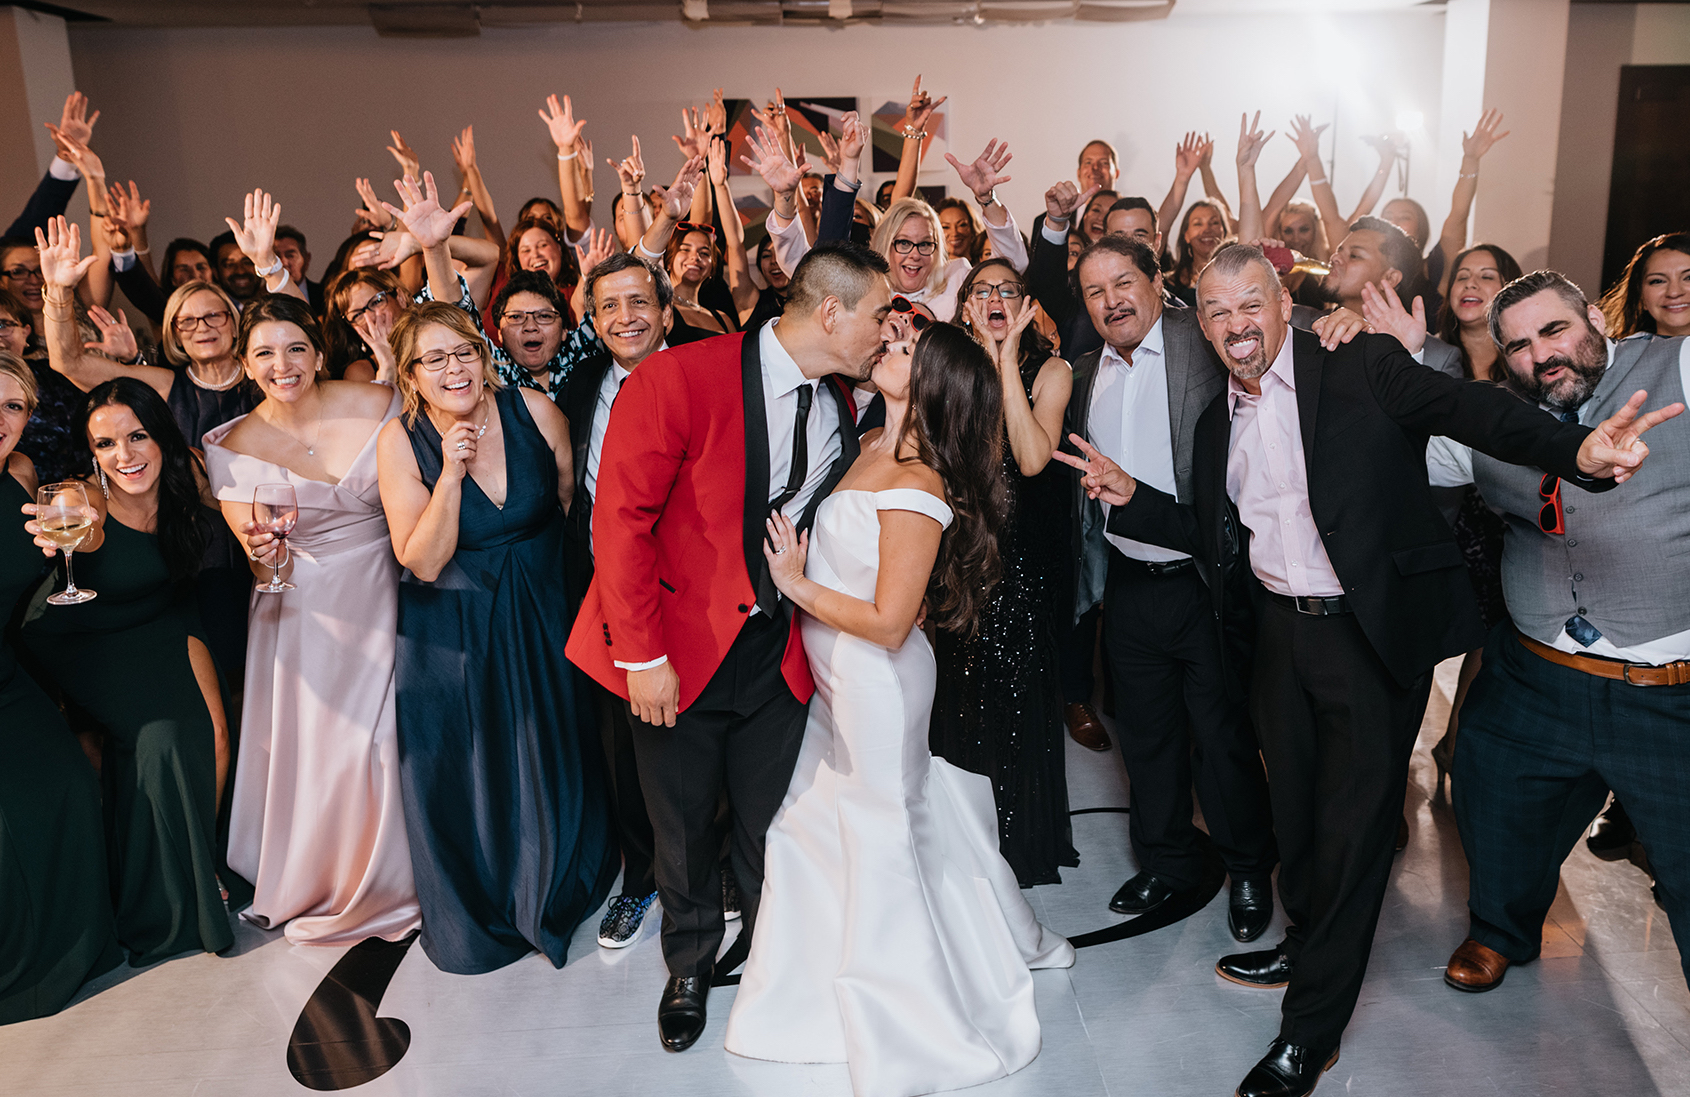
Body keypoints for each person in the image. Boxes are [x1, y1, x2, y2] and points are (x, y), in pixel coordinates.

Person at [1061, 243, 1659, 1097]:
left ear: (1282, 303)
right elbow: (1209, 529)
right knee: (1296, 818)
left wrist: (1577, 451)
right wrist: (1130, 493)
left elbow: (1470, 410)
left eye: (1251, 305)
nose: (1237, 326)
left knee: (1352, 830)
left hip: (1367, 635)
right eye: (1219, 311)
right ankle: (1307, 941)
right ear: (1199, 320)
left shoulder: (1356, 362)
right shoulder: (1214, 420)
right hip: (1277, 633)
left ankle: (1311, 1028)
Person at [726, 320, 1075, 1097]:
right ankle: (830, 980)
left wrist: (797, 584)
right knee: (824, 823)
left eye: (907, 347)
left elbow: (888, 620)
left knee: (882, 834)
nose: (890, 342)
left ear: (935, 382)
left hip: (877, 681)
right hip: (837, 677)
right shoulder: (866, 446)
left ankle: (909, 1020)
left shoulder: (918, 483)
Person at [565, 241, 891, 1053]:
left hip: (777, 648)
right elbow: (620, 525)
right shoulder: (676, 377)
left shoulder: (843, 402)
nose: (888, 330)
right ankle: (688, 964)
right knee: (679, 825)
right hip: (675, 651)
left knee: (768, 821)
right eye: (880, 314)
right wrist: (640, 656)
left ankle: (775, 958)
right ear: (832, 313)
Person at [1423, 271, 1689, 996]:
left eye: (1555, 330)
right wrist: (1389, 361)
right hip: (1533, 674)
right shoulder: (1489, 419)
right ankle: (1499, 931)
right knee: (1493, 804)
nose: (1541, 354)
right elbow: (1389, 450)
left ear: (1597, 323)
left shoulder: (1675, 368)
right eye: (1518, 345)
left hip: (1664, 690)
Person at [376, 301, 615, 975]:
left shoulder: (536, 411)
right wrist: (450, 472)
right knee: (481, 762)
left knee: (557, 746)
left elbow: (571, 507)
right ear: (411, 374)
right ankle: (493, 895)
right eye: (436, 358)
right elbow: (421, 558)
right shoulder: (402, 440)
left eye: (465, 352)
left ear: (485, 357)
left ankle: (560, 881)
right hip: (456, 629)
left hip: (543, 609)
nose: (455, 368)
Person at [1059, 236, 1278, 939]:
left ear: (1159, 281)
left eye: (1124, 281)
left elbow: (1269, 332)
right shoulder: (1089, 372)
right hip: (1129, 582)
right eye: (1095, 291)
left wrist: (1341, 325)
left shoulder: (1197, 337)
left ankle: (1247, 867)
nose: (1111, 300)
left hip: (1204, 581)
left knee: (1221, 737)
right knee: (1145, 737)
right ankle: (1167, 857)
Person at [202, 294, 420, 946]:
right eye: (264, 352)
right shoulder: (234, 443)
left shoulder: (378, 403)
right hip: (299, 610)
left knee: (390, 743)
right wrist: (263, 556)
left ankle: (408, 875)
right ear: (245, 362)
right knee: (334, 748)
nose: (282, 363)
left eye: (295, 347)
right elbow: (257, 550)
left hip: (388, 589)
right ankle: (327, 875)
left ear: (319, 351)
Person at [23, 377, 236, 965]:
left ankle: (202, 868)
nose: (124, 456)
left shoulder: (187, 473)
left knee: (216, 736)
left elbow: (239, 512)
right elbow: (76, 529)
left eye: (137, 436)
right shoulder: (87, 503)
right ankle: (167, 902)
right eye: (105, 445)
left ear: (160, 435)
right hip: (81, 635)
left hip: (162, 610)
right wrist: (61, 535)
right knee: (163, 739)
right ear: (90, 453)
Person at [927, 259, 1078, 888]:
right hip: (960, 550)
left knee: (1018, 695)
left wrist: (1008, 353)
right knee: (959, 692)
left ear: (1024, 304)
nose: (993, 298)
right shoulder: (947, 369)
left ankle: (1017, 844)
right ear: (963, 306)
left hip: (1026, 556)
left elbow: (1031, 456)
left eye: (1007, 291)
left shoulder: (1052, 371)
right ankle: (962, 842)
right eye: (981, 291)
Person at [556, 251, 674, 950]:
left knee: (695, 735)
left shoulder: (704, 372)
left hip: (689, 590)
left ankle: (713, 868)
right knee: (620, 745)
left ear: (664, 310)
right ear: (593, 320)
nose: (624, 318)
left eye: (638, 303)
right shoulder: (580, 387)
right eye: (608, 307)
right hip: (607, 594)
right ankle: (642, 878)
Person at [0, 353, 122, 1022]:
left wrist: (75, 543)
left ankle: (73, 954)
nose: (1, 419)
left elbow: (81, 524)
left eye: (14, 406)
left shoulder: (18, 476)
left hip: (8, 676)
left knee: (71, 785)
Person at [1424, 243, 1525, 788]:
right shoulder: (1430, 356)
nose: (1472, 283)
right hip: (1434, 518)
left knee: (1492, 640)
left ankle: (1457, 741)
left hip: (1503, 523)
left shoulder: (1526, 363)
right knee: (1421, 647)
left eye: (1488, 275)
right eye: (1463, 274)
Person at [1599, 232, 1690, 339]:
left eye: (1688, 278)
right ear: (1640, 295)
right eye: (1658, 281)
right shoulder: (1616, 354)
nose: (1674, 292)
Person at [273, 225, 324, 315]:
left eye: (290, 255)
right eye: (277, 257)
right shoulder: (259, 297)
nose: (284, 263)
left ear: (306, 259)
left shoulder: (325, 295)